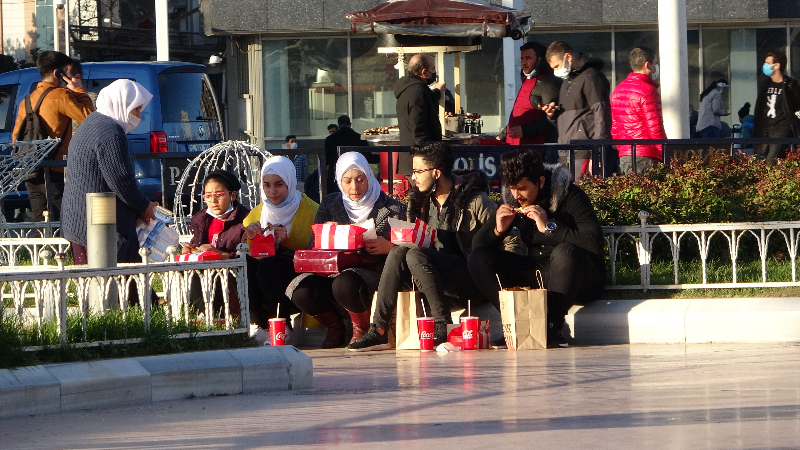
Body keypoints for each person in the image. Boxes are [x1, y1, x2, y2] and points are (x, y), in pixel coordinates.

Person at [347, 142, 500, 352]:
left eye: (418, 171)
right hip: (433, 279)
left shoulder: (475, 201)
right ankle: (379, 328)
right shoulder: (421, 203)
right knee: (400, 250)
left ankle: (441, 324)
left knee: (416, 255)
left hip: (473, 280)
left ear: (436, 173)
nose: (414, 177)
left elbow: (510, 241)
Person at [468, 149, 605, 348]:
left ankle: (552, 327)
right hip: (539, 271)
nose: (516, 195)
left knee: (565, 252)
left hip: (577, 276)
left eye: (522, 188)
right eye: (512, 188)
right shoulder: (512, 199)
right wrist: (498, 230)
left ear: (540, 182)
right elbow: (478, 247)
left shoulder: (570, 195)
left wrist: (549, 228)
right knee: (479, 258)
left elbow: (594, 242)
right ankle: (517, 323)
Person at [290, 152, 406, 348]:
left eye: (360, 180)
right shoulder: (330, 203)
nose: (355, 187)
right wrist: (325, 234)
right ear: (339, 181)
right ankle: (335, 327)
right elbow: (312, 246)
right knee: (301, 289)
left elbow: (405, 247)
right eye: (348, 181)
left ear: (369, 177)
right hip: (333, 269)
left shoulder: (391, 207)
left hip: (372, 271)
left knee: (345, 282)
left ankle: (361, 329)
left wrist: (387, 247)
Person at [61, 79, 158, 264]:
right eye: (135, 109)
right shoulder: (110, 132)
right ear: (121, 103)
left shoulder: (92, 123)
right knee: (118, 286)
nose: (138, 115)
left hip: (82, 222)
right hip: (98, 227)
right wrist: (144, 206)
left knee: (94, 286)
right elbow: (121, 180)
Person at [243, 156, 319, 344]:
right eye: (267, 185)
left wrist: (288, 241)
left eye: (279, 184)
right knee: (247, 264)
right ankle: (261, 325)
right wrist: (252, 238)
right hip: (267, 274)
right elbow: (251, 251)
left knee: (270, 266)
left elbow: (315, 253)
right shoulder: (256, 213)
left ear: (290, 183)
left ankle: (282, 326)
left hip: (300, 272)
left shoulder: (311, 210)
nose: (272, 191)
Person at [12, 51, 94, 222]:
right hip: (54, 170)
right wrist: (78, 89)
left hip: (31, 170)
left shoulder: (26, 101)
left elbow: (16, 138)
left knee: (41, 222)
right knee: (60, 222)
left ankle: (42, 248)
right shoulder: (60, 96)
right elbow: (89, 117)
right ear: (58, 73)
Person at [183, 169, 250, 318]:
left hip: (231, 277)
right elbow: (197, 244)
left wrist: (219, 254)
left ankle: (215, 318)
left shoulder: (245, 220)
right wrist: (191, 249)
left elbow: (247, 257)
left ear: (233, 195)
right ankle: (199, 317)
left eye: (219, 195)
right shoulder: (201, 219)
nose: (213, 201)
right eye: (208, 196)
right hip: (204, 273)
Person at [542, 41, 611, 180]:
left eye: (557, 66)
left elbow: (601, 115)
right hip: (567, 152)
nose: (556, 72)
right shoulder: (567, 81)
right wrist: (553, 115)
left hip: (584, 152)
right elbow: (570, 121)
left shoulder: (591, 77)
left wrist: (597, 153)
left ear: (568, 57)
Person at [610, 46, 667, 174]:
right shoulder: (648, 91)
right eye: (655, 63)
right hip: (647, 155)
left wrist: (622, 149)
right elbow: (655, 128)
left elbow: (615, 128)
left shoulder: (618, 90)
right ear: (647, 65)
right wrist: (664, 152)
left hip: (625, 156)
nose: (656, 68)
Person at [498, 41, 561, 145]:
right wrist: (502, 135)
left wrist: (525, 130)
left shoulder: (549, 83)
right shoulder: (527, 80)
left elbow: (554, 119)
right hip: (517, 147)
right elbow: (518, 114)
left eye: (528, 58)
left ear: (540, 60)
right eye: (522, 58)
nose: (523, 62)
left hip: (539, 149)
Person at [395, 53, 446, 174]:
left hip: (412, 160)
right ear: (424, 72)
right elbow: (419, 129)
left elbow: (424, 100)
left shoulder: (409, 88)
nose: (435, 72)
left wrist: (437, 92)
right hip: (419, 164)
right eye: (433, 69)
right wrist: (429, 158)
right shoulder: (418, 91)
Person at [754, 52, 800, 164]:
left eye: (767, 63)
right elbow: (760, 105)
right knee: (761, 157)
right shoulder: (766, 84)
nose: (765, 66)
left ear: (777, 65)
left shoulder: (789, 84)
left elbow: (796, 104)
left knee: (772, 158)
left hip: (782, 126)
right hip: (766, 126)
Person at [323, 114, 371, 194]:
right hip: (357, 174)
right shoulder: (360, 138)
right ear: (350, 124)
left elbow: (326, 159)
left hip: (335, 173)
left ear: (338, 125)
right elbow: (368, 157)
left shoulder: (330, 139)